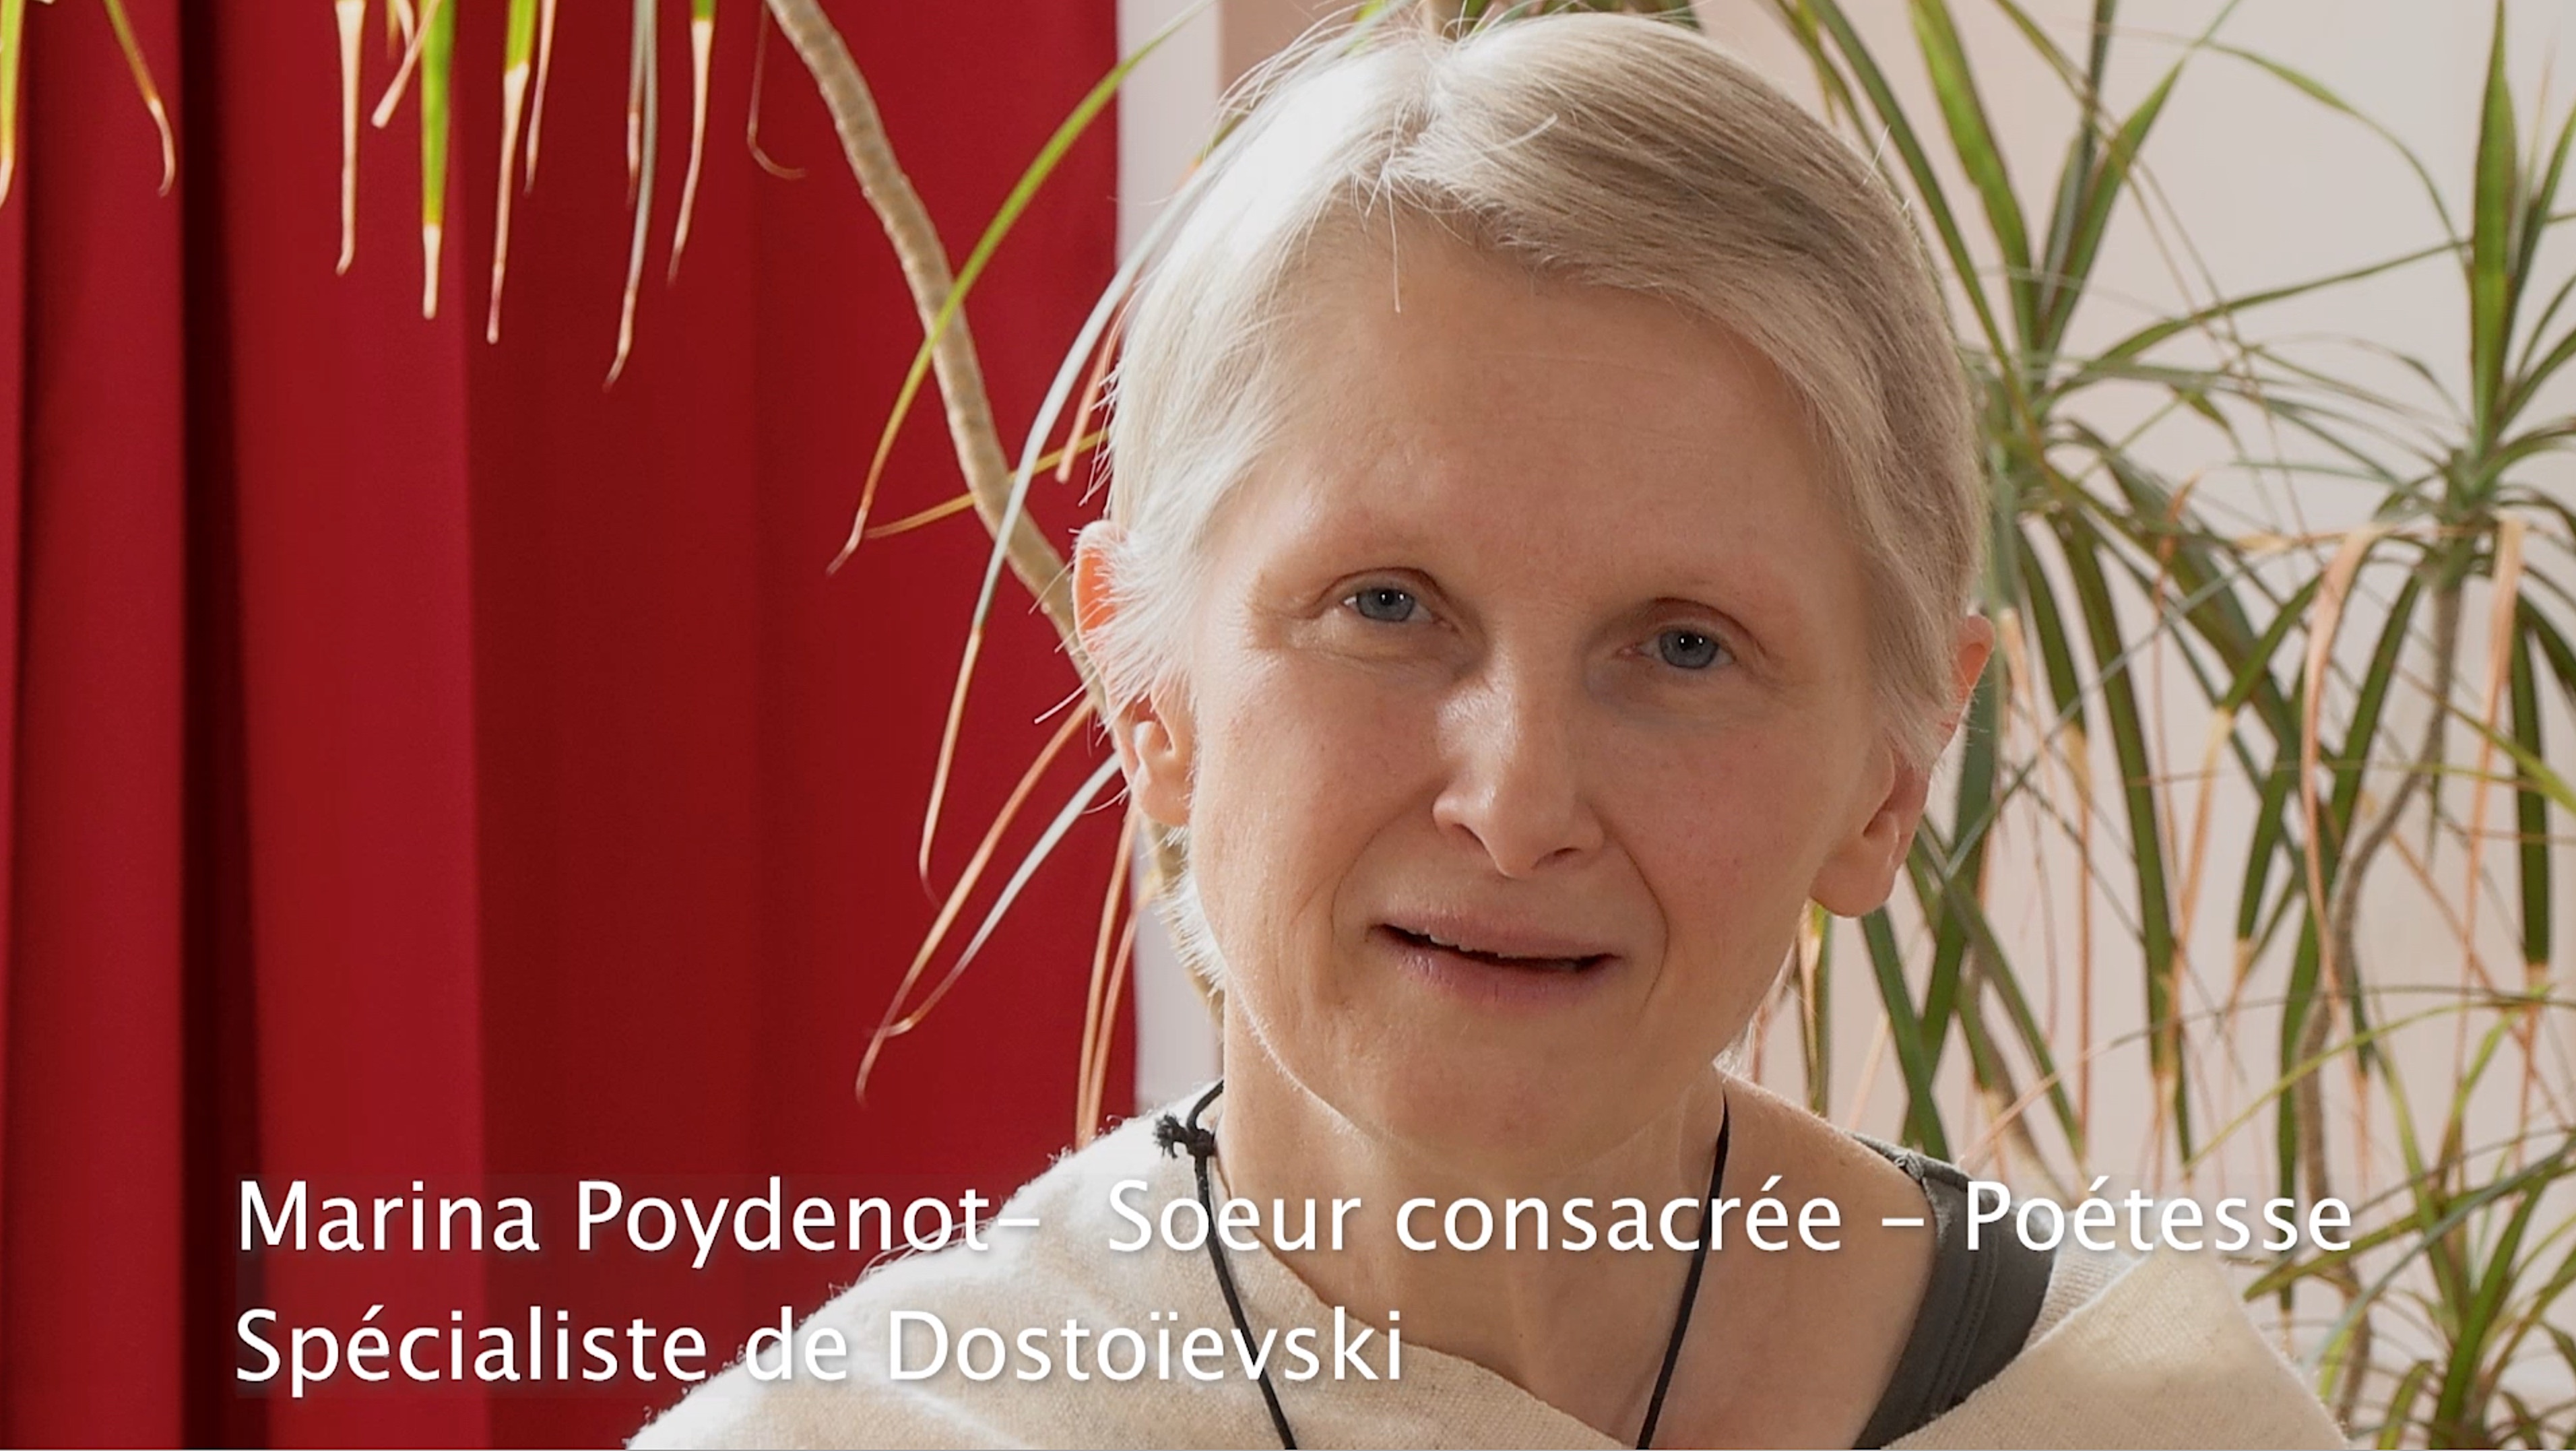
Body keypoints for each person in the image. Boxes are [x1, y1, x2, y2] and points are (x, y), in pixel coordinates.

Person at [633, 11, 2349, 1448]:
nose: (1518, 804)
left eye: (1685, 646)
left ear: (1890, 777)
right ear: (1145, 690)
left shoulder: (2153, 1422)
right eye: (1385, 605)